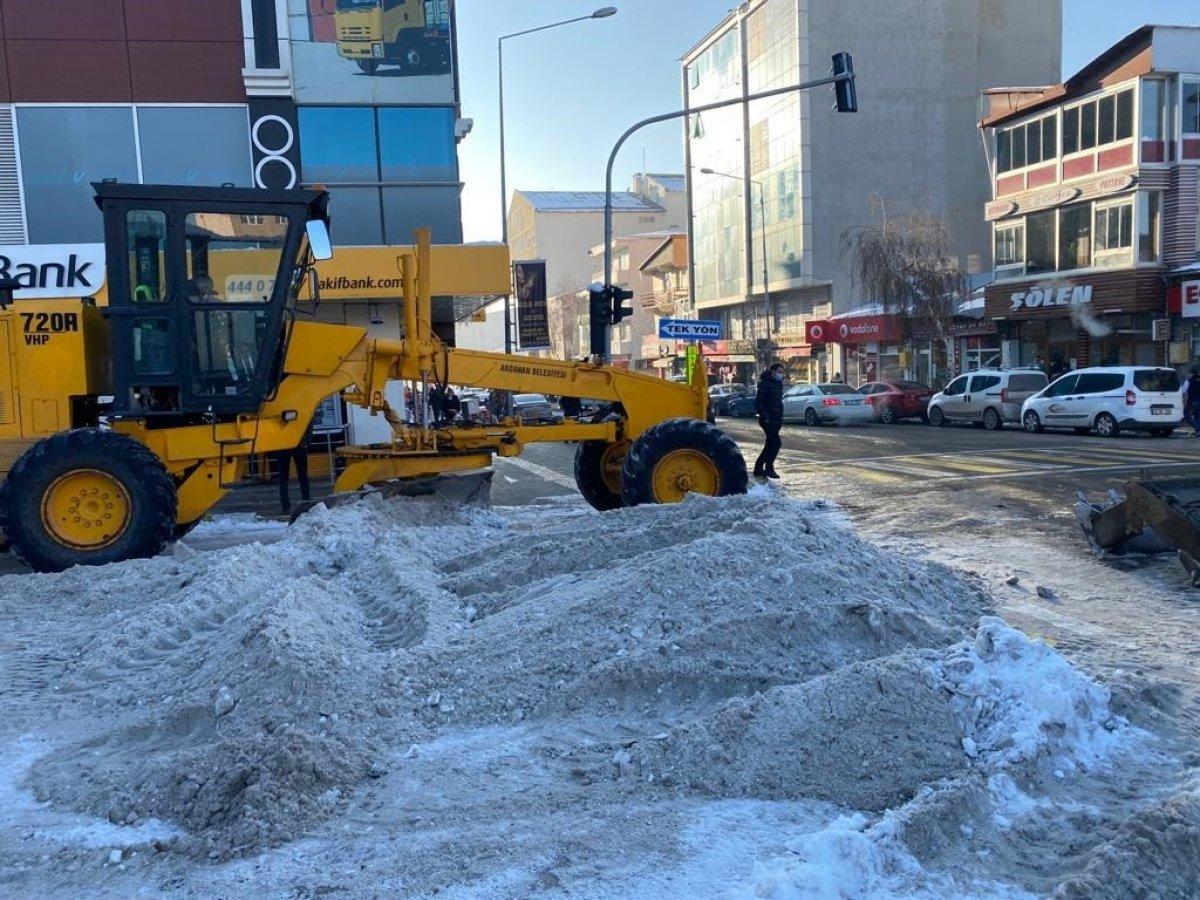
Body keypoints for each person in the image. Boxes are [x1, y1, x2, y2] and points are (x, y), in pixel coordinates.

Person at [753, 363, 785, 480]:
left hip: (776, 418)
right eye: (779, 371)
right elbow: (759, 402)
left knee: (770, 444)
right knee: (776, 443)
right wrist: (765, 415)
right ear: (772, 371)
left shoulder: (778, 384)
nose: (780, 374)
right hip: (768, 418)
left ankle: (758, 467)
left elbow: (777, 401)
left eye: (782, 372)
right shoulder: (765, 383)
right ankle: (769, 467)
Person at [275, 423, 312, 516]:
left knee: (283, 476)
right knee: (303, 475)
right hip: (299, 443)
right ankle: (306, 501)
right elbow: (308, 424)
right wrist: (305, 441)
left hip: (283, 444)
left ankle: (285, 506)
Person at [1186, 367, 1200, 437]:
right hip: (1198, 400)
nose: (1188, 375)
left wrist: (1188, 402)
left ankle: (1198, 429)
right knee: (1197, 416)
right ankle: (1198, 430)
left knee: (1188, 416)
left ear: (1192, 373)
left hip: (1194, 401)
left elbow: (1190, 391)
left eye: (1189, 373)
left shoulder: (1192, 380)